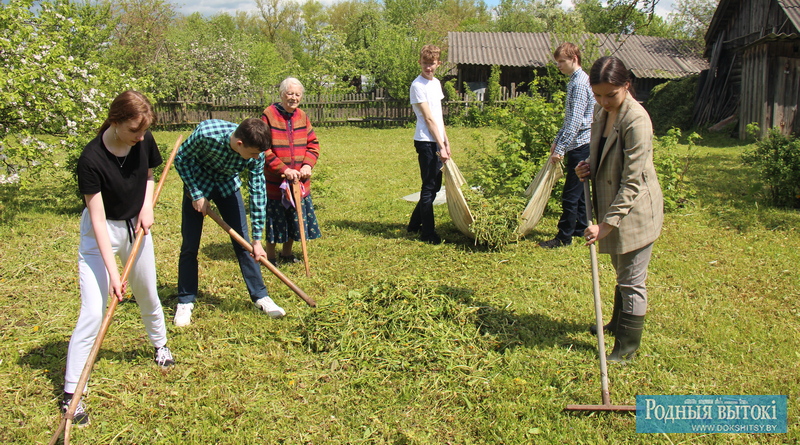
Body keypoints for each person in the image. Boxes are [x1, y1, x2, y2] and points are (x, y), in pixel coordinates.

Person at [62, 90, 175, 425]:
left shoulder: (143, 138)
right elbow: (96, 219)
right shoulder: (91, 159)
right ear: (115, 121)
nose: (141, 138)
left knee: (148, 293)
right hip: (101, 236)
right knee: (93, 313)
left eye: (144, 132)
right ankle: (72, 393)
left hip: (136, 227)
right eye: (134, 132)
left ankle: (160, 345)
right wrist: (113, 274)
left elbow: (150, 175)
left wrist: (147, 207)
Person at [576, 56, 664, 362]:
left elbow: (632, 182)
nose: (603, 101)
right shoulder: (602, 112)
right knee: (622, 272)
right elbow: (600, 151)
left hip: (634, 212)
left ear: (626, 85)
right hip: (612, 208)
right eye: (597, 94)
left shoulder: (636, 121)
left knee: (632, 280)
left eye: (610, 95)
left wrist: (605, 226)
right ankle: (616, 323)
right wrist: (588, 165)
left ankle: (627, 347)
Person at [174, 118, 286, 327]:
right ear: (239, 144)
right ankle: (185, 300)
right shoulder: (206, 134)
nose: (257, 158)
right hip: (198, 183)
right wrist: (197, 194)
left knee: (243, 244)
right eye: (253, 153)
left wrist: (257, 239)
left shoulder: (255, 152)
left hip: (227, 185)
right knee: (190, 244)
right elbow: (181, 159)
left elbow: (258, 192)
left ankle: (260, 296)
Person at [539, 42, 595, 249]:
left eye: (562, 61)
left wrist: (560, 149)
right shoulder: (576, 81)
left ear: (574, 59)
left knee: (570, 194)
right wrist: (557, 140)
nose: (559, 66)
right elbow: (569, 119)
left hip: (580, 144)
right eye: (557, 62)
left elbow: (575, 122)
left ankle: (564, 237)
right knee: (580, 190)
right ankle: (581, 228)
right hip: (579, 143)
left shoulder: (579, 84)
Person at [260, 77, 321, 265]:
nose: (293, 98)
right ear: (281, 94)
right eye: (290, 93)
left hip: (299, 182)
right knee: (275, 220)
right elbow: (264, 148)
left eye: (297, 94)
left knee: (295, 218)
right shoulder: (269, 115)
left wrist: (307, 165)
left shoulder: (302, 116)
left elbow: (313, 145)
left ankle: (287, 254)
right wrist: (284, 169)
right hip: (276, 182)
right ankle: (270, 257)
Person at [407, 44, 451, 245]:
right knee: (429, 187)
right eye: (425, 63)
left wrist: (446, 141)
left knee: (434, 187)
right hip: (426, 141)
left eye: (432, 64)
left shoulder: (436, 83)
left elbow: (439, 116)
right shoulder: (417, 86)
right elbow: (428, 118)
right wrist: (439, 146)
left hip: (437, 139)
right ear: (420, 62)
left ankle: (414, 225)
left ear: (438, 64)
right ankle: (428, 233)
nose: (428, 68)